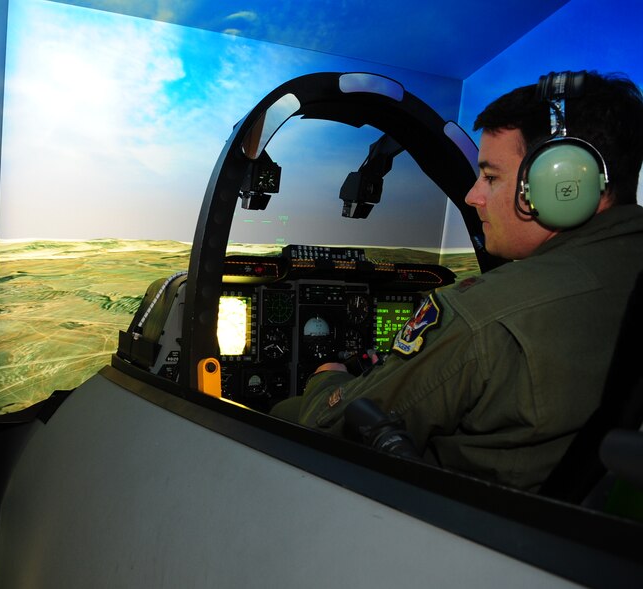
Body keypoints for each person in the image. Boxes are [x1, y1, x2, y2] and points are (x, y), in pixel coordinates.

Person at [271, 70, 643, 491]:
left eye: (491, 176)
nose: (472, 196)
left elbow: (328, 425)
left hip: (453, 525)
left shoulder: (484, 317)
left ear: (563, 184)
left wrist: (327, 377)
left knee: (281, 414)